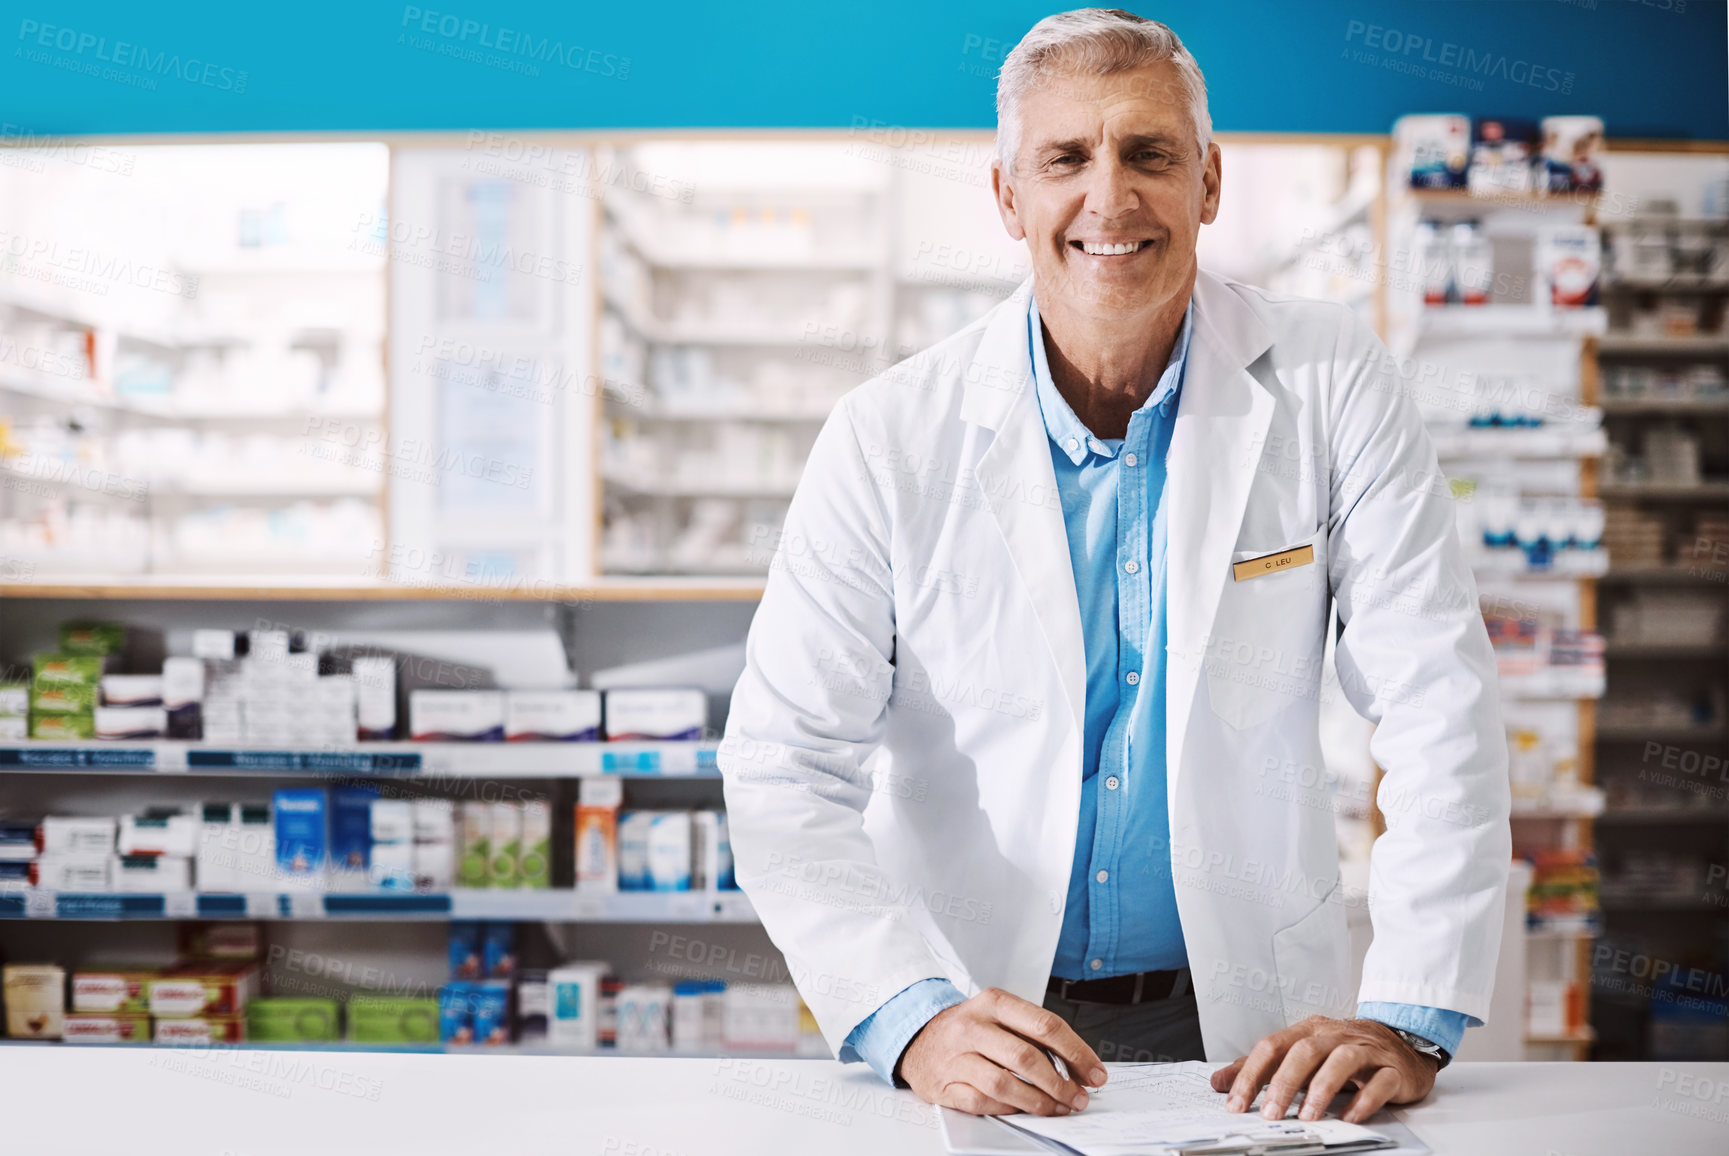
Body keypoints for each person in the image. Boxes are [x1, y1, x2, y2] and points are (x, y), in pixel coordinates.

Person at [718, 7, 1509, 1127]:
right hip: (982, 1026)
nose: (1109, 199)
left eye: (1149, 154)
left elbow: (1438, 702)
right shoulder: (888, 434)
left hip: (1253, 1036)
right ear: (1007, 196)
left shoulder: (1330, 381)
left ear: (1209, 182)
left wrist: (1410, 1010)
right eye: (1064, 159)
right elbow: (783, 761)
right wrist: (905, 1010)